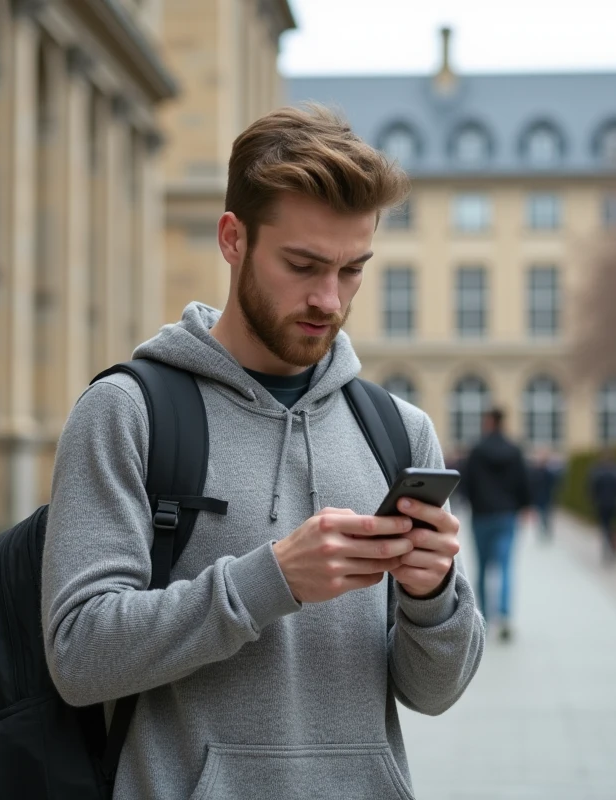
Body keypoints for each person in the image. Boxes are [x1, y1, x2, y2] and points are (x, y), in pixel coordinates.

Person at [42, 104, 485, 800]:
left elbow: (435, 694)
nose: (328, 299)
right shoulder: (129, 411)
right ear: (232, 238)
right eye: (303, 265)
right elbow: (79, 655)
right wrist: (270, 580)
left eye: (352, 270)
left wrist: (432, 598)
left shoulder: (399, 432)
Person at [459, 408, 532, 642]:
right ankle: (505, 614)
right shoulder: (514, 450)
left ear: (489, 422)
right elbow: (524, 481)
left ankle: (483, 618)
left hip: (482, 515)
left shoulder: (477, 451)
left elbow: (466, 482)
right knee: (505, 566)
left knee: (482, 568)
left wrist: (472, 503)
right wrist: (524, 506)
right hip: (506, 515)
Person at [587, 448, 616, 565]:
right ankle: (611, 547)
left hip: (605, 504)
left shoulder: (598, 471)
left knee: (607, 528)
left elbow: (591, 489)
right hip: (612, 504)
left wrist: (593, 501)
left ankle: (609, 547)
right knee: (610, 527)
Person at [529, 447, 563, 542]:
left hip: (547, 498)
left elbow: (555, 485)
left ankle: (546, 532)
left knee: (546, 517)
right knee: (540, 517)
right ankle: (542, 532)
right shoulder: (535, 472)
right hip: (539, 498)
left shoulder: (549, 472)